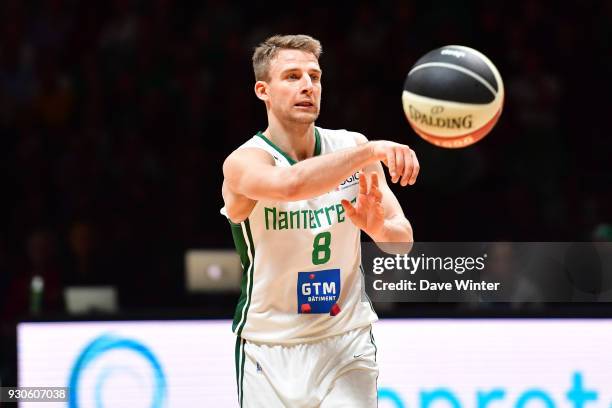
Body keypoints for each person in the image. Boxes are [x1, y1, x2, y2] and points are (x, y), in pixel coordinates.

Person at [221, 34, 419, 407]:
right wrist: (372, 151)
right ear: (262, 90)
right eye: (292, 76)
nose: (307, 86)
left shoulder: (351, 147)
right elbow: (290, 184)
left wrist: (378, 229)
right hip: (270, 346)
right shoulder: (244, 163)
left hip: (345, 340)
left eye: (315, 76)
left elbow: (402, 241)